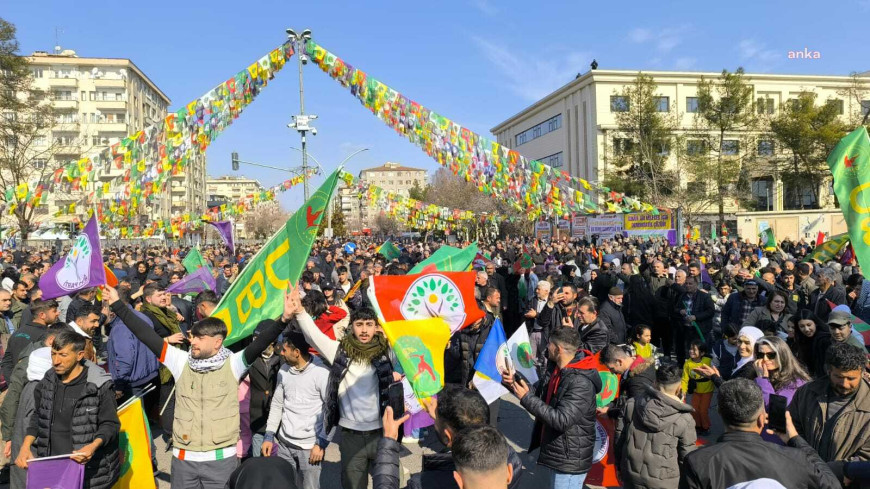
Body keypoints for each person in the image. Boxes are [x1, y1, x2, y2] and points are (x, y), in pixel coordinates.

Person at [103, 284, 285, 489]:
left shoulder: (234, 364)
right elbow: (145, 334)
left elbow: (260, 344)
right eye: (192, 336)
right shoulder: (180, 361)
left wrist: (285, 319)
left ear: (217, 342)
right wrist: (118, 304)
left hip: (221, 462)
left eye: (199, 338)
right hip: (183, 461)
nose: (193, 342)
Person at [293, 299, 394, 489]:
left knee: (389, 484)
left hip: (382, 433)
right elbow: (314, 336)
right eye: (359, 325)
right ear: (351, 327)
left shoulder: (387, 351)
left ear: (376, 327)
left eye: (369, 325)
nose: (364, 330)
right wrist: (299, 312)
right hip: (351, 437)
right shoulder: (340, 351)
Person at [679, 378, 839, 488]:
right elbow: (831, 484)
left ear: (720, 413)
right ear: (762, 418)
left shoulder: (697, 462)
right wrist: (795, 439)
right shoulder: (795, 458)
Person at [16, 330, 121, 489]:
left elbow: (110, 425)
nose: (56, 361)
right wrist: (25, 446)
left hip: (91, 471)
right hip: (54, 466)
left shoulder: (98, 386)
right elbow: (38, 416)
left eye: (63, 355)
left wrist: (92, 447)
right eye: (53, 354)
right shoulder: (47, 382)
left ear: (79, 355)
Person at [502, 326, 602, 489]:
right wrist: (513, 382)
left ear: (559, 349)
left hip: (568, 461)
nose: (547, 347)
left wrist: (526, 399)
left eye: (549, 344)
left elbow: (561, 420)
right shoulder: (557, 369)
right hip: (554, 452)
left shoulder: (580, 382)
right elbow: (540, 396)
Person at [408, 385, 523, 489]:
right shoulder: (511, 459)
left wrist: (390, 446)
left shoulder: (424, 483)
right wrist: (442, 422)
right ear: (509, 472)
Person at [0, 323, 69, 489]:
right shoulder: (34, 362)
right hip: (27, 435)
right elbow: (13, 397)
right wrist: (8, 435)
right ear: (52, 340)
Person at [790, 343, 870, 481]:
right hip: (805, 476)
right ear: (828, 371)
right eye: (838, 376)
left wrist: (838, 471)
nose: (844, 384)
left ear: (862, 373)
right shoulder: (806, 393)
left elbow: (867, 456)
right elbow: (793, 430)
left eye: (851, 378)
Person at [262, 330, 330, 489]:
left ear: (297, 352)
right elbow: (278, 404)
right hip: (284, 445)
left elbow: (331, 411)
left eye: (285, 350)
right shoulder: (283, 371)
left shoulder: (321, 373)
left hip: (310, 448)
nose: (282, 353)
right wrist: (269, 435)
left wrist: (321, 444)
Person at [615, 363, 696, 489]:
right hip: (666, 481)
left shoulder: (631, 404)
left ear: (655, 382)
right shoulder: (685, 419)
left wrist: (619, 467)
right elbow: (686, 456)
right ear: (679, 387)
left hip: (631, 473)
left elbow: (619, 439)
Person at [0, 299, 59, 383]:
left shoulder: (17, 332)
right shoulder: (46, 336)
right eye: (54, 311)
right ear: (42, 315)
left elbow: (6, 363)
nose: (58, 313)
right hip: (34, 385)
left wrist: (13, 384)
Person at [245, 321, 281, 457]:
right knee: (258, 458)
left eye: (260, 340)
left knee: (280, 460)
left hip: (279, 416)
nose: (256, 343)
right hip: (257, 415)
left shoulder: (283, 357)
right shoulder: (250, 357)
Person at [675, 276, 714, 364]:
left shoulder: (704, 296)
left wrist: (696, 317)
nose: (688, 286)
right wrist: (680, 311)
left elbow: (710, 311)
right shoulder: (682, 296)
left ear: (696, 284)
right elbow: (675, 309)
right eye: (686, 283)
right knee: (688, 350)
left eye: (690, 284)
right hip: (686, 329)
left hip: (700, 329)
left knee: (701, 351)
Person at [683, 340, 714, 435]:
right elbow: (684, 379)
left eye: (694, 350)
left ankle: (705, 427)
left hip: (707, 391)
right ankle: (697, 426)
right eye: (690, 349)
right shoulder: (688, 364)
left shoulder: (708, 361)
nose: (691, 351)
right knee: (695, 409)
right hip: (696, 391)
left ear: (702, 353)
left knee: (703, 410)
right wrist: (683, 392)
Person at [790, 310, 832, 378]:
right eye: (802, 326)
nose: (806, 329)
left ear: (815, 323)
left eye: (809, 325)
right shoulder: (802, 339)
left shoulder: (825, 340)